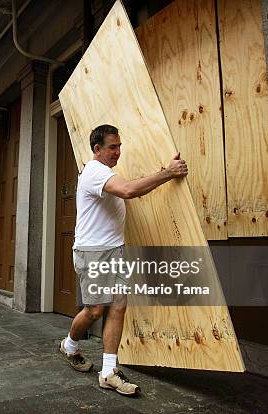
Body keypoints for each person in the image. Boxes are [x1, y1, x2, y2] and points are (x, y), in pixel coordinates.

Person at [59, 124, 188, 396]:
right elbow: (129, 191)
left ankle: (108, 372)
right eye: (112, 147)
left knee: (118, 307)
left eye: (119, 146)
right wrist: (168, 172)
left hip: (114, 250)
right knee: (94, 311)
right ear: (97, 149)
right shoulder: (95, 172)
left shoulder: (106, 172)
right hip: (92, 252)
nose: (118, 151)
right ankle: (69, 345)